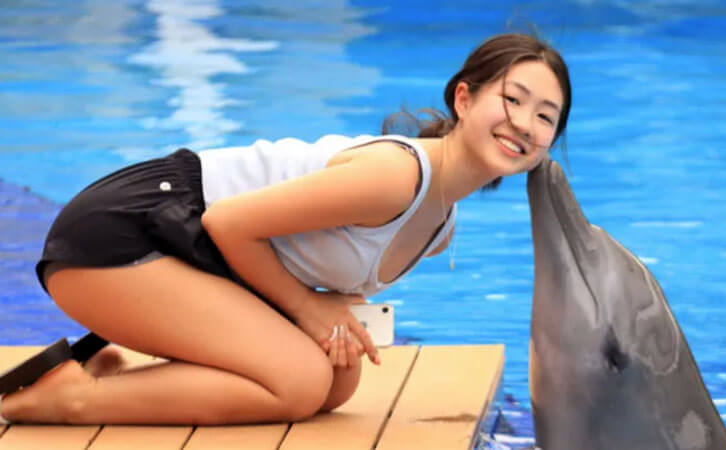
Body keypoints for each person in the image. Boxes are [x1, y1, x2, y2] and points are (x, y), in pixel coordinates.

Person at [0, 32, 571, 425]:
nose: (524, 122)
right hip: (121, 239)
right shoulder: (396, 177)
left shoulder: (439, 224)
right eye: (512, 99)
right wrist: (307, 308)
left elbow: (318, 282)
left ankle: (106, 369)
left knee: (334, 382)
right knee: (297, 384)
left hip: (184, 254)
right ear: (465, 99)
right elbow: (227, 221)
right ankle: (70, 398)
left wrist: (330, 315)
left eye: (545, 116)